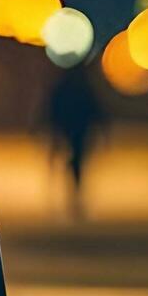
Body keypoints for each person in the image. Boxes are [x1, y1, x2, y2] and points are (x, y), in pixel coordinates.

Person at [46, 63, 102, 215]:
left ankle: (73, 193)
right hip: (78, 129)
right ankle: (74, 192)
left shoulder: (64, 86)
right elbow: (95, 108)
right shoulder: (83, 86)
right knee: (77, 161)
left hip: (70, 129)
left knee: (74, 161)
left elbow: (53, 108)